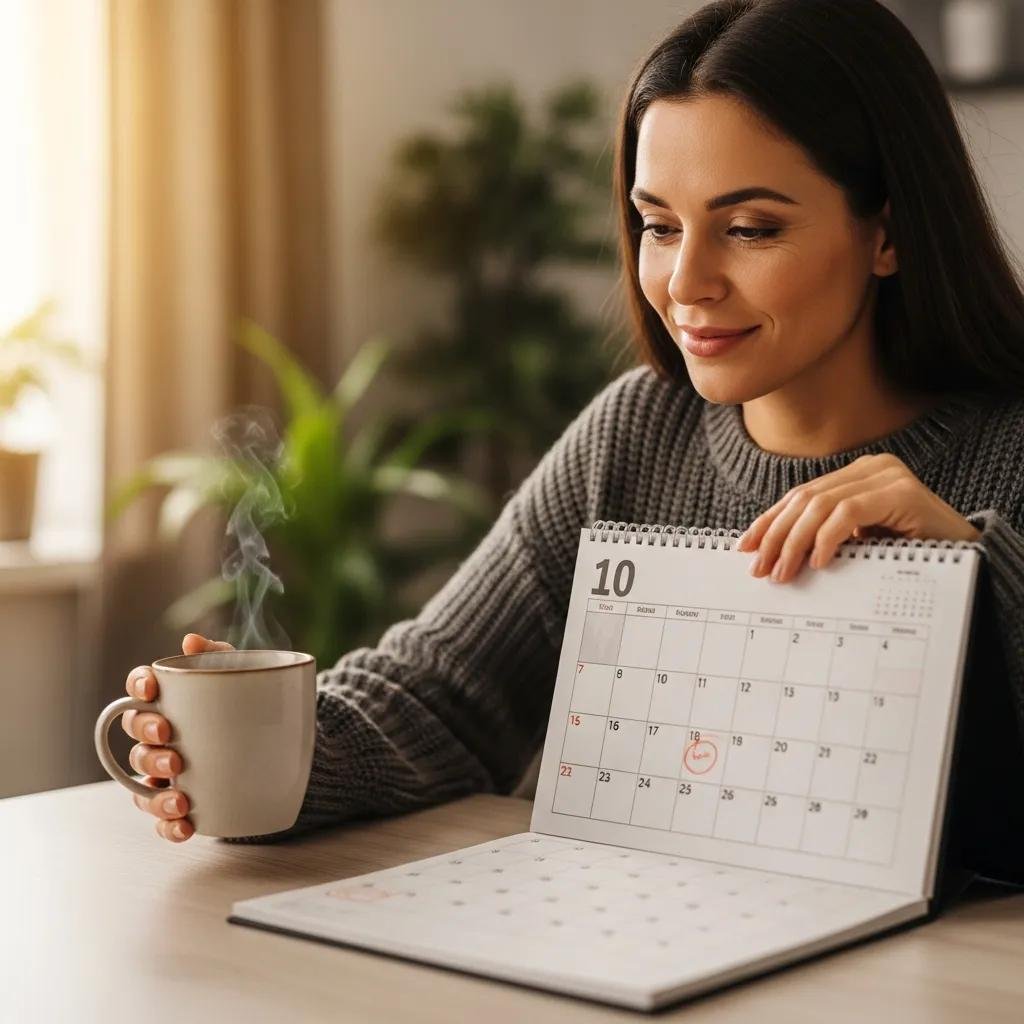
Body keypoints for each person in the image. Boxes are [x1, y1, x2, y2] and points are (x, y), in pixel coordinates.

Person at [121, 0, 1024, 882]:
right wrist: (255, 753)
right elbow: (442, 695)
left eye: (750, 229)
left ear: (888, 234)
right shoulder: (635, 432)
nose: (687, 283)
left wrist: (977, 569)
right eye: (659, 226)